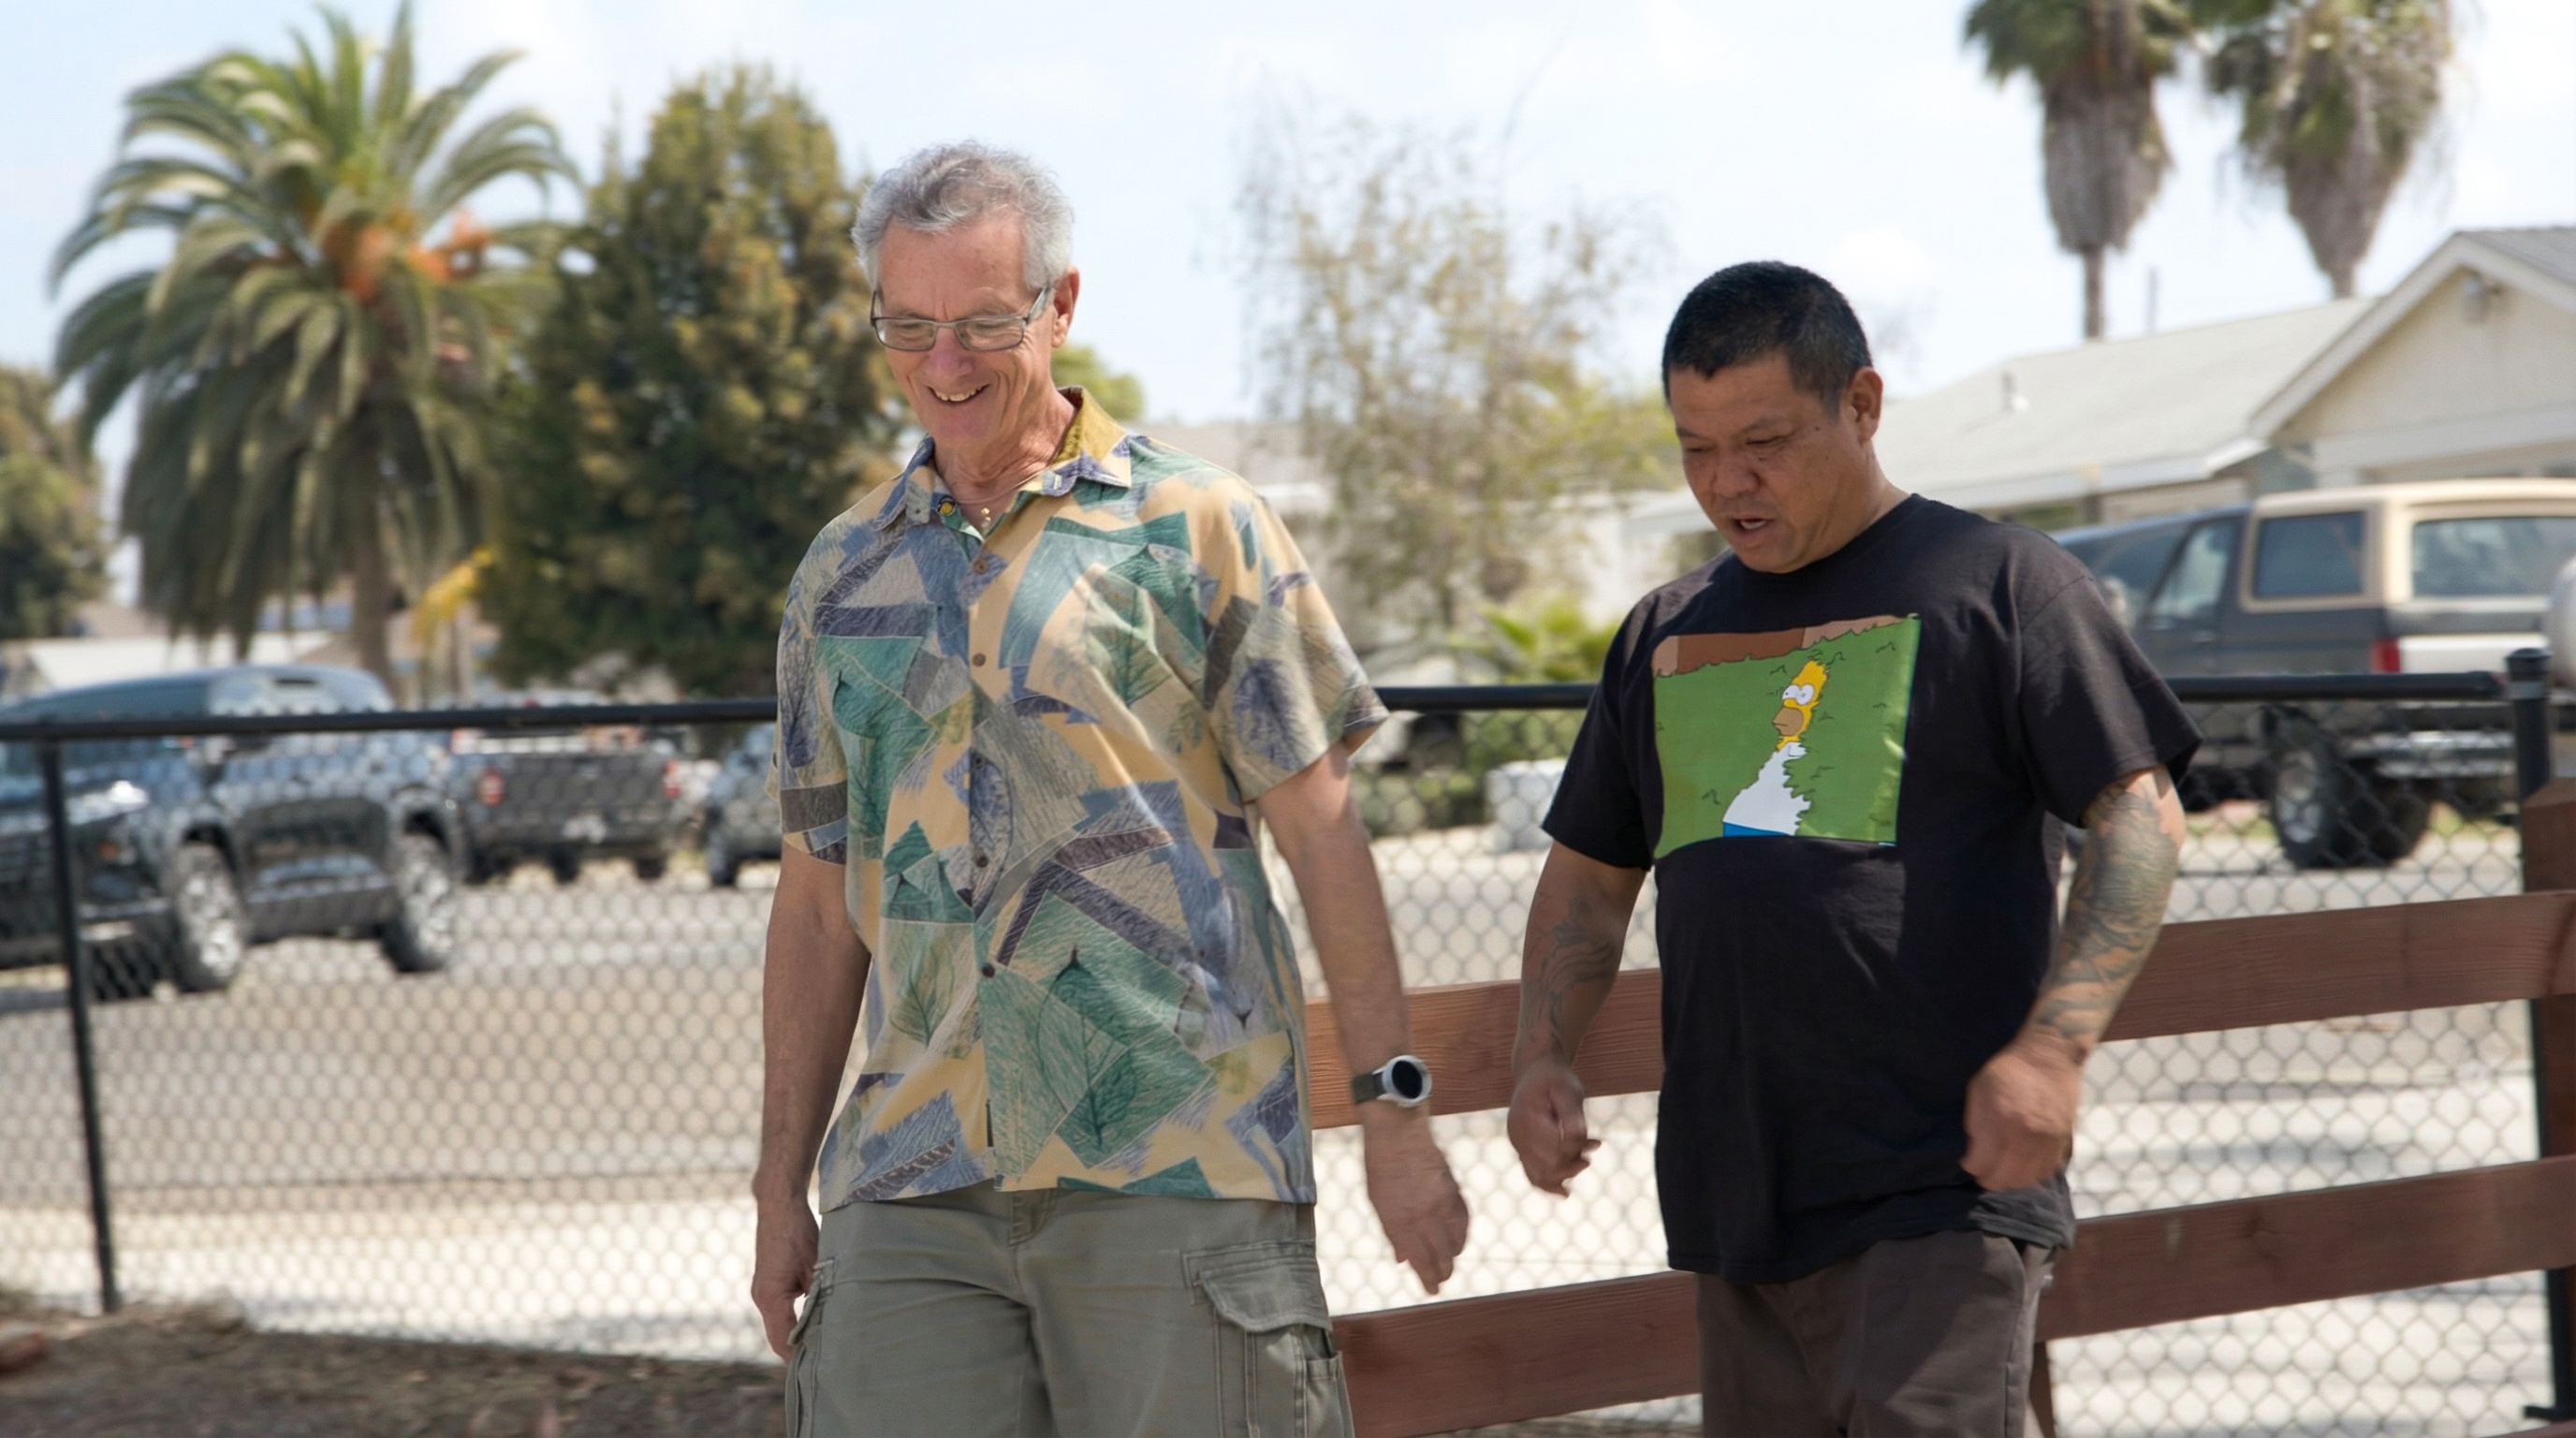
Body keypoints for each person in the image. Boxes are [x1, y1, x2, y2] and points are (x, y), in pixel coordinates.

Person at [748, 140, 1469, 1438]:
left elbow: (1325, 836)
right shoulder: (840, 576)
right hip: (911, 1190)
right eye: (907, 326)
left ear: (1062, 306)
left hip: (1179, 1176)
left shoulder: (1201, 526)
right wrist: (773, 1187)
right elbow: (812, 905)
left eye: (981, 322)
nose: (944, 364)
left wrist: (1394, 1117)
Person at [1508, 262, 2196, 1436]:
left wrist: (2055, 1050)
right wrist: (1540, 1058)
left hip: (1940, 1191)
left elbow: (2139, 817)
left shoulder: (2003, 585)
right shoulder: (1666, 631)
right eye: (1695, 449)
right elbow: (1587, 875)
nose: (1729, 483)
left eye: (1765, 441)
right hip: (1735, 1205)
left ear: (1862, 406)